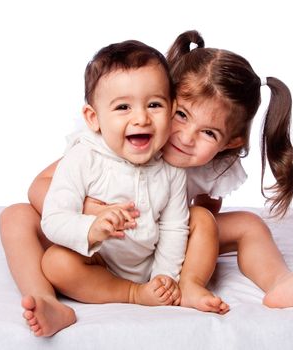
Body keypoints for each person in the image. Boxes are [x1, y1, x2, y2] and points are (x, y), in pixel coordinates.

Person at [0, 30, 293, 337]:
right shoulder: (103, 143)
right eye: (181, 115)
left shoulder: (201, 168)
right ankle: (46, 300)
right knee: (16, 217)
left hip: (158, 245)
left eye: (208, 133)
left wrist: (177, 271)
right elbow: (41, 187)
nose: (186, 139)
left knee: (234, 222)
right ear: (166, 98)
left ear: (227, 144)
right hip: (101, 242)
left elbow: (196, 225)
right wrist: (88, 213)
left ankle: (276, 282)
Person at [37, 39, 190, 308]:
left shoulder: (171, 167)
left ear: (172, 107)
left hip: (148, 262)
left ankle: (150, 288)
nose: (141, 118)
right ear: (93, 118)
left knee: (199, 222)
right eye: (123, 107)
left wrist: (164, 277)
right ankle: (130, 293)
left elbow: (174, 227)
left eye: (154, 104)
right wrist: (91, 229)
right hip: (97, 261)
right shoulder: (83, 157)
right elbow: (54, 218)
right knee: (55, 262)